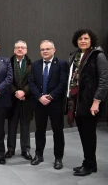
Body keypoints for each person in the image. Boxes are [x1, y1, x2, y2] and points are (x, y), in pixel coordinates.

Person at [67, 29, 108, 176]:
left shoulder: (98, 55)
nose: (83, 41)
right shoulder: (75, 56)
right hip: (77, 102)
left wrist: (96, 102)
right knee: (83, 134)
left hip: (90, 102)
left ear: (92, 40)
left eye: (86, 38)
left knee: (89, 135)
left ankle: (88, 165)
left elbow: (104, 82)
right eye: (80, 39)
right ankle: (91, 163)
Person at [28, 40, 68, 169]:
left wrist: (50, 96)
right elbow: (31, 83)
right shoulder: (35, 65)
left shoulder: (62, 64)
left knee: (58, 131)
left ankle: (58, 158)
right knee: (39, 131)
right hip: (40, 103)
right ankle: (38, 155)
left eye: (47, 49)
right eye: (42, 49)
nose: (45, 51)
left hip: (55, 103)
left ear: (54, 50)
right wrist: (40, 97)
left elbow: (63, 83)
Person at [5, 40, 33, 160]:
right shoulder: (8, 63)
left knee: (25, 125)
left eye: (22, 48)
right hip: (12, 99)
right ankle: (10, 149)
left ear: (26, 50)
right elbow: (6, 79)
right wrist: (15, 91)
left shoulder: (32, 64)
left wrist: (24, 91)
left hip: (26, 99)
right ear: (14, 50)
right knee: (11, 126)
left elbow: (33, 81)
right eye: (17, 47)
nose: (20, 49)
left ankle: (25, 150)